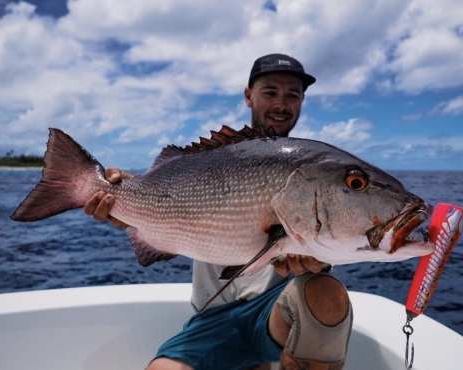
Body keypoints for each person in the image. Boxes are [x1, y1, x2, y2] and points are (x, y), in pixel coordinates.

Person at [84, 54, 352, 370]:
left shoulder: (319, 171)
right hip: (212, 315)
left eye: (292, 95)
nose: (281, 103)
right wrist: (127, 199)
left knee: (325, 292)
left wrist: (312, 265)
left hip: (272, 314)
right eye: (270, 92)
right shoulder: (210, 161)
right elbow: (158, 199)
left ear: (302, 102)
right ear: (248, 95)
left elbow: (327, 249)